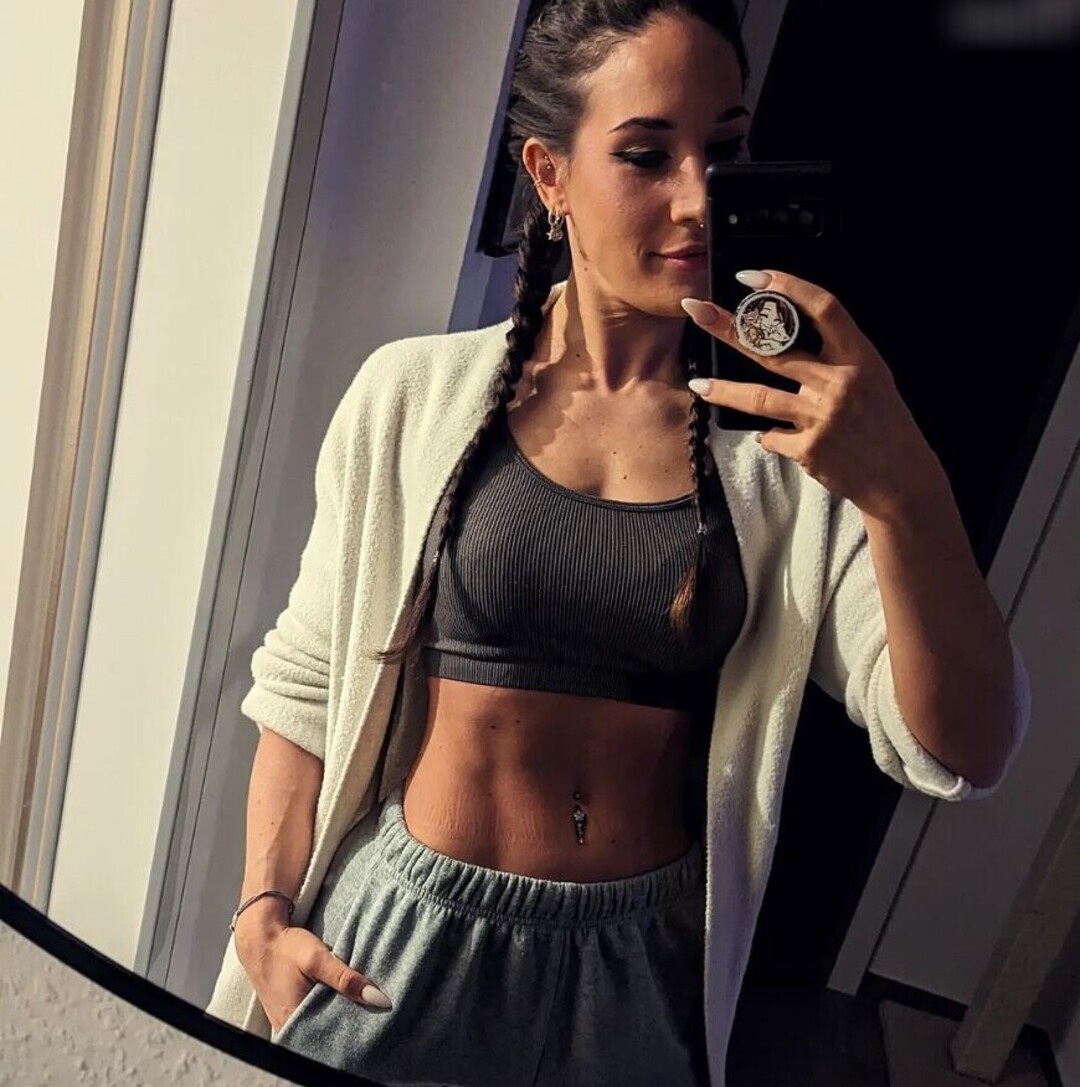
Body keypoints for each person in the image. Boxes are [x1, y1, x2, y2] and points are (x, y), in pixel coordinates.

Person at [205, 3, 1031, 1085]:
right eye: (646, 155)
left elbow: (965, 748)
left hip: (636, 972)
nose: (698, 198)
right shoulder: (411, 396)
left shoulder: (791, 449)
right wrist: (263, 909)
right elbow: (307, 681)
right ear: (550, 175)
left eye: (725, 150)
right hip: (400, 946)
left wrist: (905, 487)